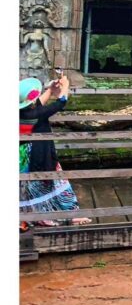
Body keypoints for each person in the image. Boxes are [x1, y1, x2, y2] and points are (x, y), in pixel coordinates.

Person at [19, 73, 91, 226]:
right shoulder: (34, 113)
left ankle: (47, 216)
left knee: (31, 188)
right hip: (38, 155)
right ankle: (60, 216)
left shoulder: (24, 113)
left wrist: (50, 90)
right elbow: (61, 103)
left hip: (25, 155)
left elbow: (37, 104)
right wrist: (65, 85)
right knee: (49, 183)